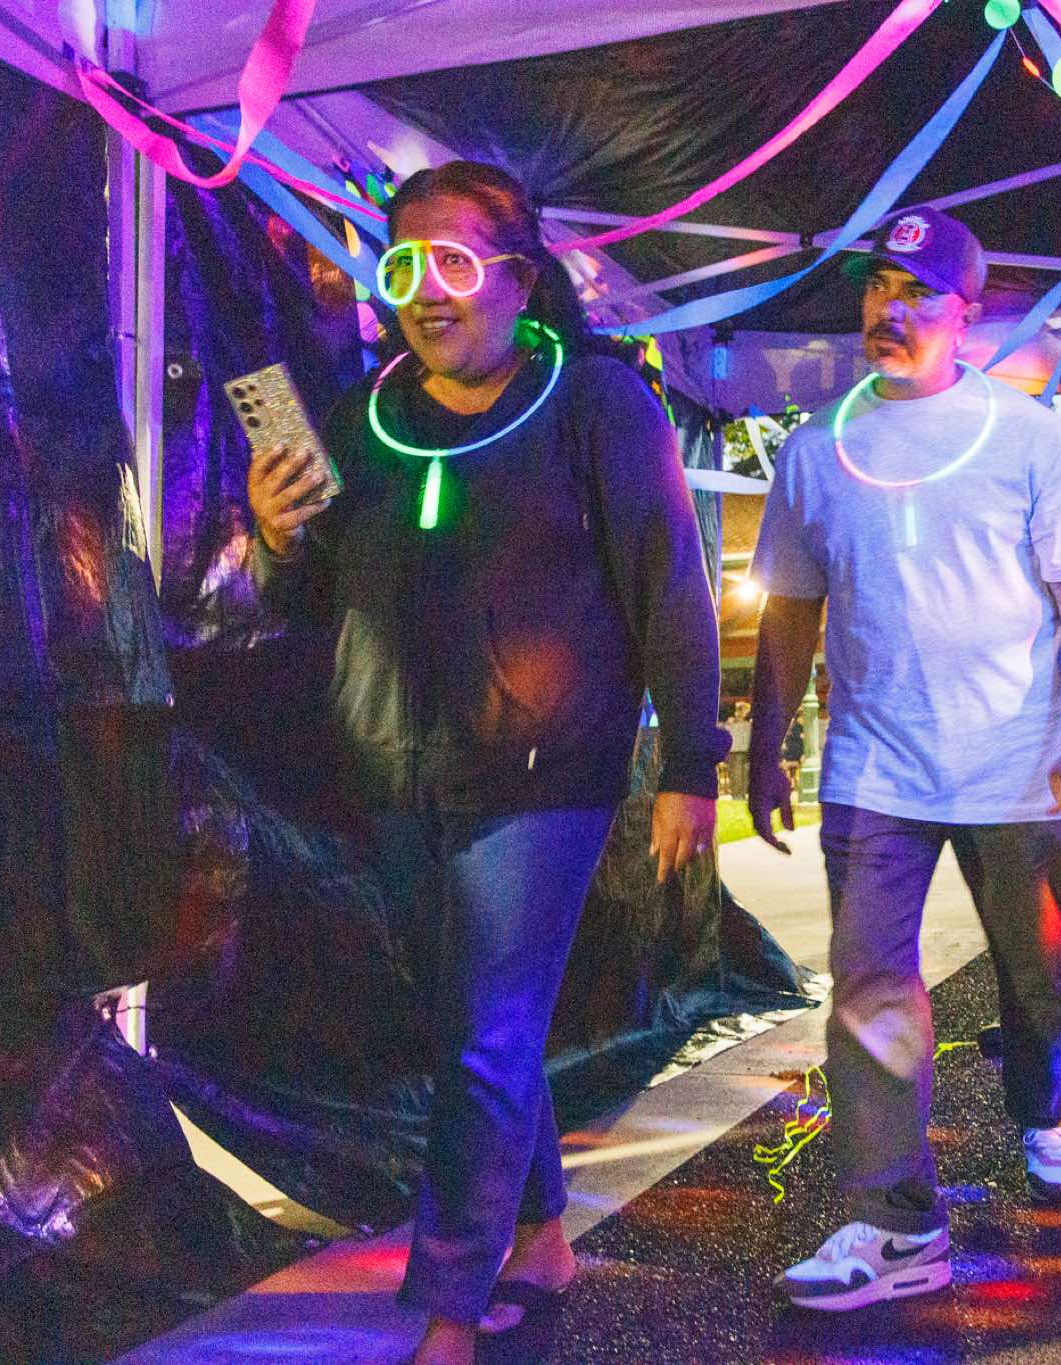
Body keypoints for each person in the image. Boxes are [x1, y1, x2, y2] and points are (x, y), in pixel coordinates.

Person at [246, 161, 727, 1364]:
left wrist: (693, 763)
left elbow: (669, 586)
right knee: (470, 1027)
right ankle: (542, 1236)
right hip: (394, 771)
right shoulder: (361, 414)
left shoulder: (596, 403)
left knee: (486, 1034)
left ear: (518, 276)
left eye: (453, 262)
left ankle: (448, 1312)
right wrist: (271, 534)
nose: (425, 290)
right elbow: (302, 600)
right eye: (404, 265)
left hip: (545, 775)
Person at [745, 205, 1061, 1312]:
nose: (892, 308)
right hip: (874, 771)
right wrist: (764, 748)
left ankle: (1046, 1111)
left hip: (1019, 766)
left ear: (968, 314)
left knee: (1041, 972)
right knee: (868, 987)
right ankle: (897, 1224)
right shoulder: (815, 451)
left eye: (918, 293)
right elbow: (788, 613)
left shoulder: (1027, 439)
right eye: (878, 286)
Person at [726, 699, 752, 796]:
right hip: (736, 751)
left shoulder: (747, 724)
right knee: (737, 773)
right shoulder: (732, 723)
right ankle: (737, 795)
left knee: (743, 774)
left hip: (743, 750)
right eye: (745, 710)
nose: (746, 713)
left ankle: (740, 794)